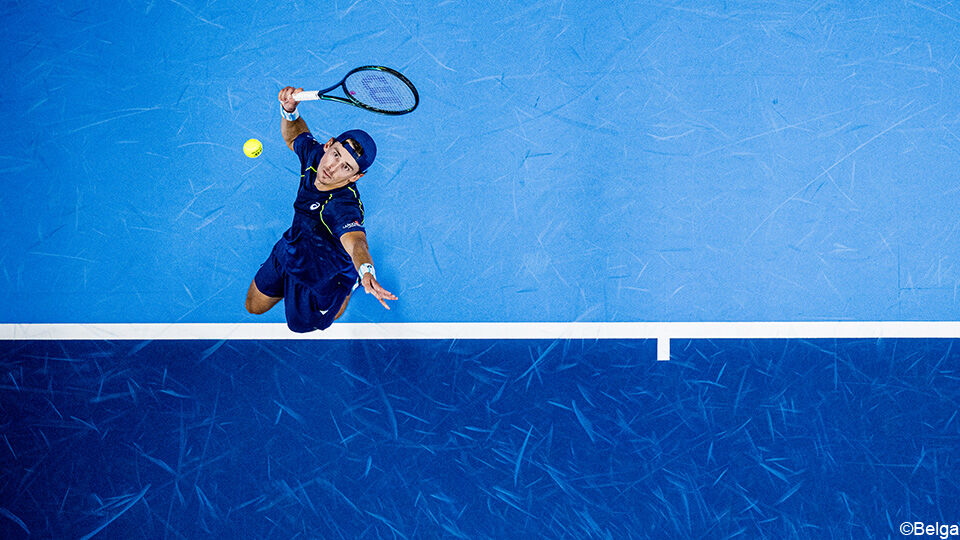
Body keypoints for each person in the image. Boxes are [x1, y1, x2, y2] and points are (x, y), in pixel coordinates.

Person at [245, 86, 398, 332]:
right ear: (328, 145)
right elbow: (295, 137)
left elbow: (356, 242)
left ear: (355, 178)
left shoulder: (342, 206)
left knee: (309, 322)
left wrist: (366, 271)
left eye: (346, 168)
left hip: (325, 276)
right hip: (291, 249)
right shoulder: (316, 158)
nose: (333, 167)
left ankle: (349, 286)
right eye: (336, 154)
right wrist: (289, 111)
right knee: (254, 305)